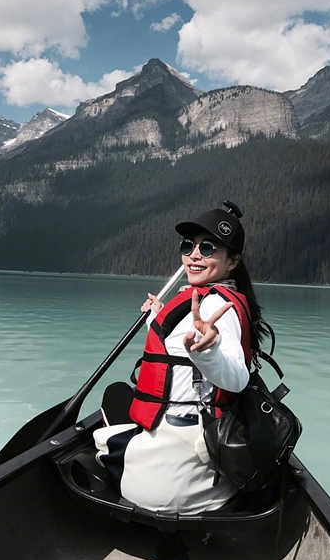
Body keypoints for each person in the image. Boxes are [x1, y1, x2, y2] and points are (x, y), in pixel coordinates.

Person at [94, 202, 264, 514]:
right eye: (189, 246)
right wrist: (157, 317)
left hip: (162, 491)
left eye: (209, 248)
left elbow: (237, 377)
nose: (194, 255)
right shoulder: (211, 300)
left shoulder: (215, 309)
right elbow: (177, 348)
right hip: (196, 449)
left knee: (114, 397)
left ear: (232, 262)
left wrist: (210, 353)